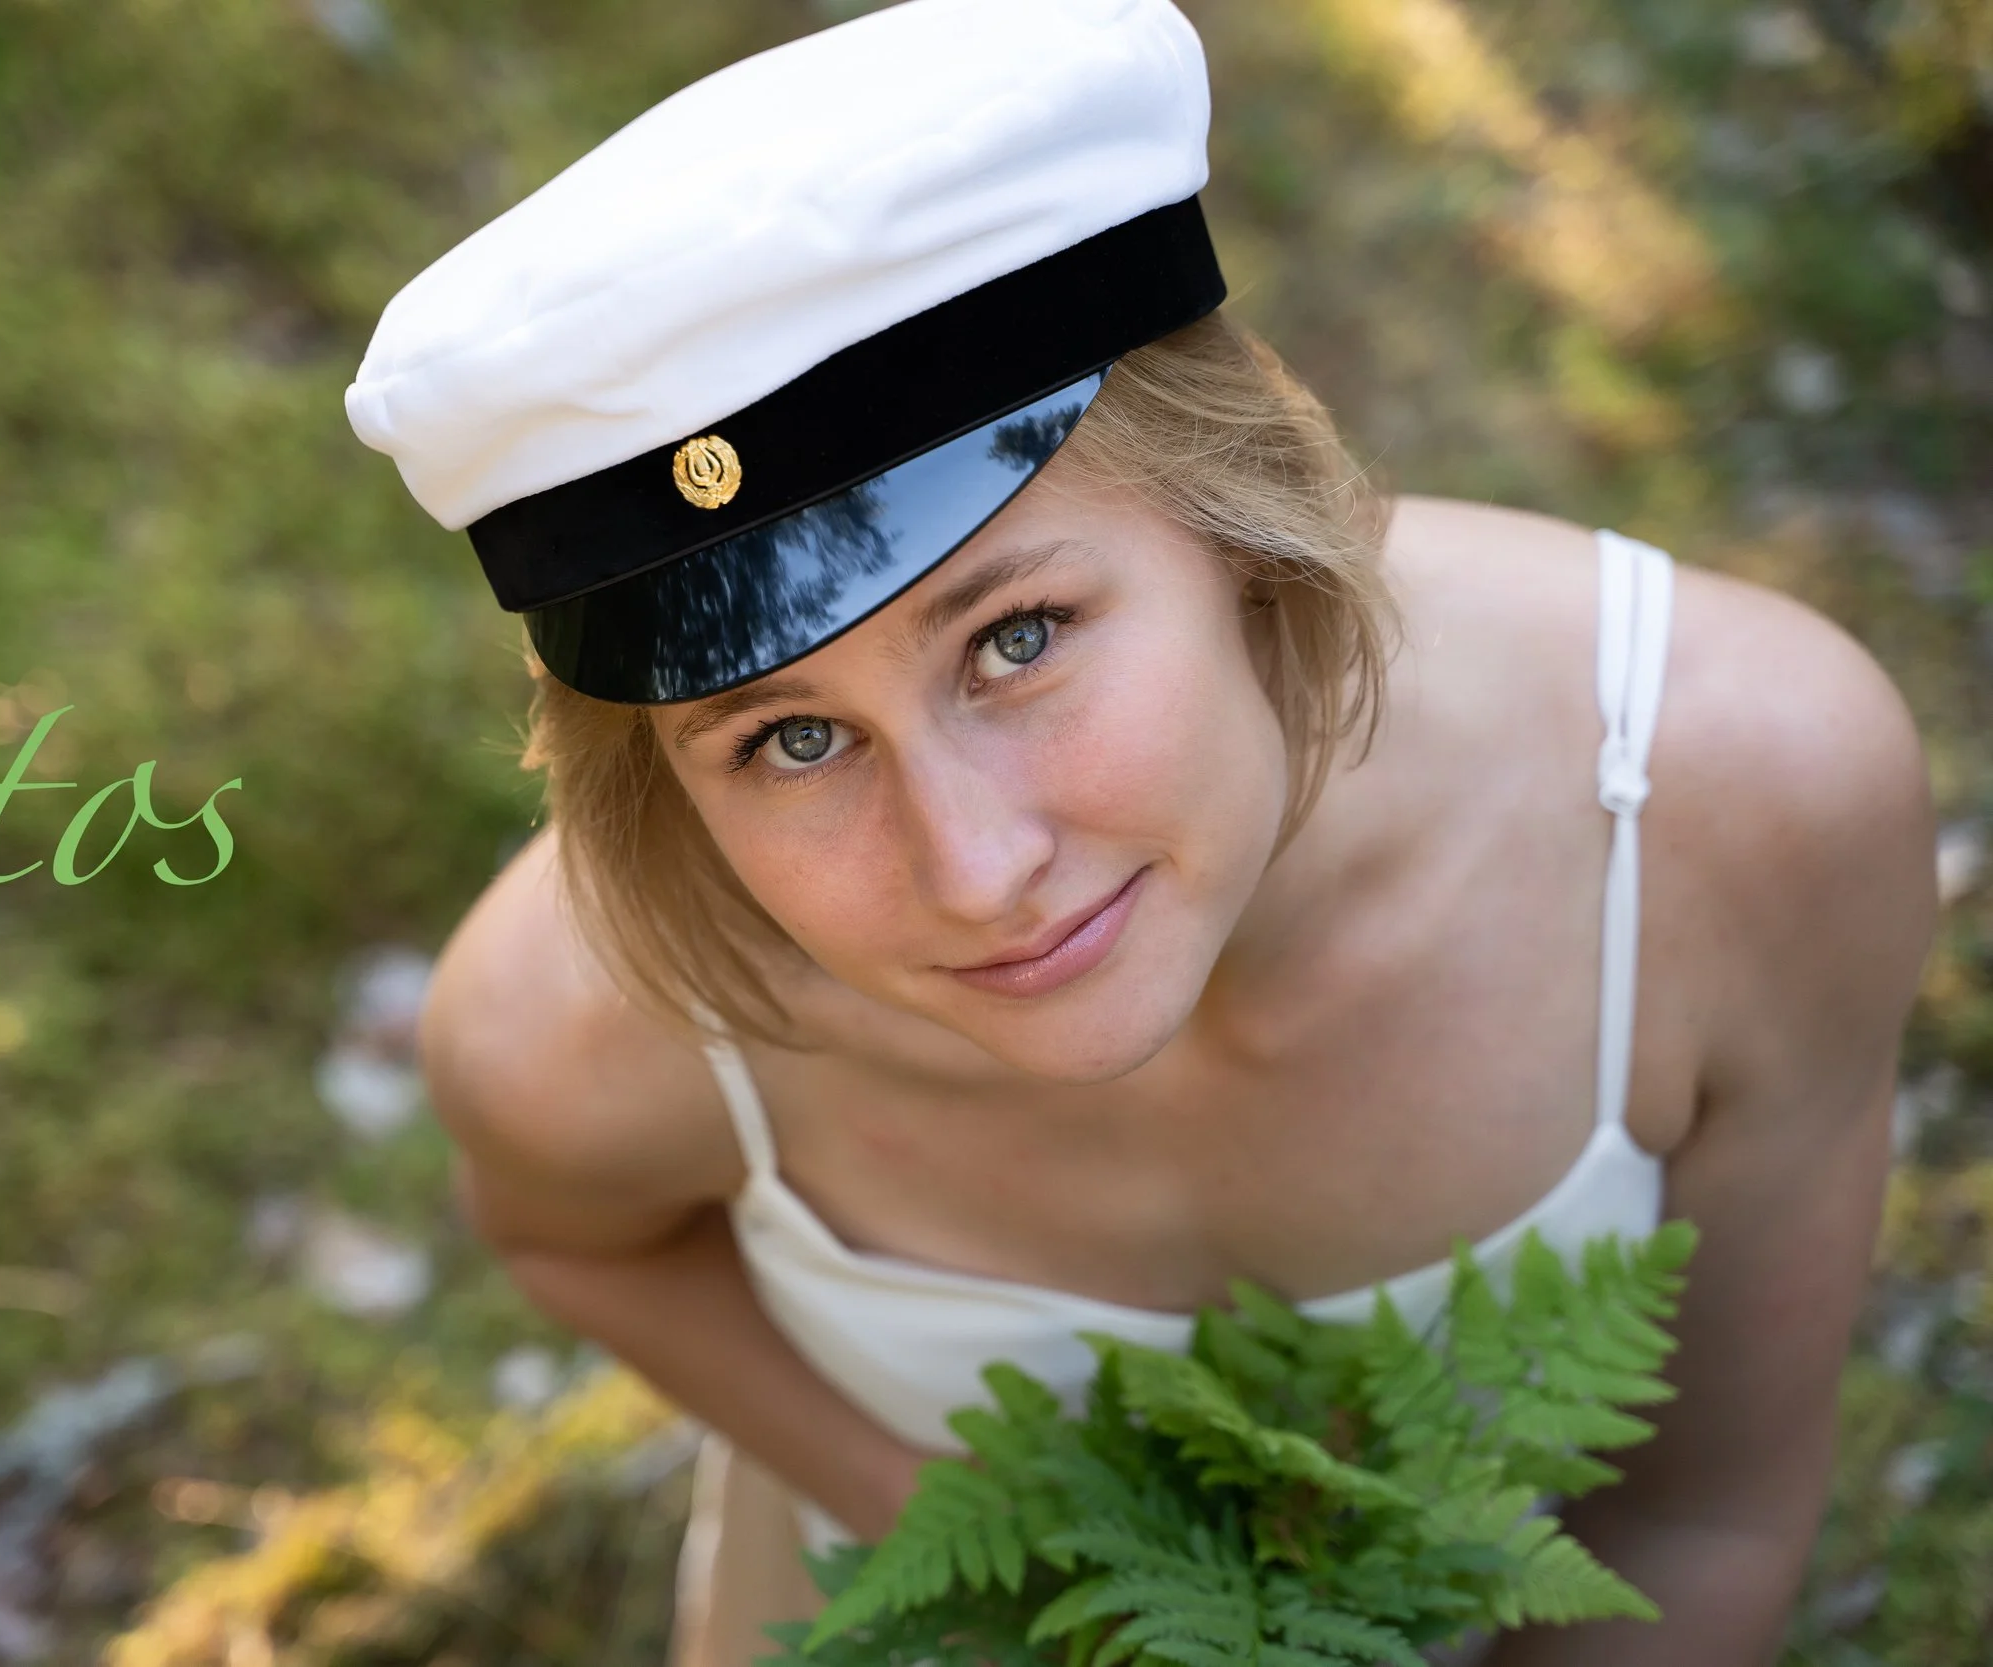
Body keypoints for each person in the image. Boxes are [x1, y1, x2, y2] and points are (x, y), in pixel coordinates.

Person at [340, 2, 1941, 1662]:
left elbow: (1700, 1516)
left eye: (1015, 639)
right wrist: (995, 1549)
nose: (974, 873)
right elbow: (560, 1232)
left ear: (1244, 520)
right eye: (790, 737)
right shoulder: (575, 1026)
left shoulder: (1735, 804)